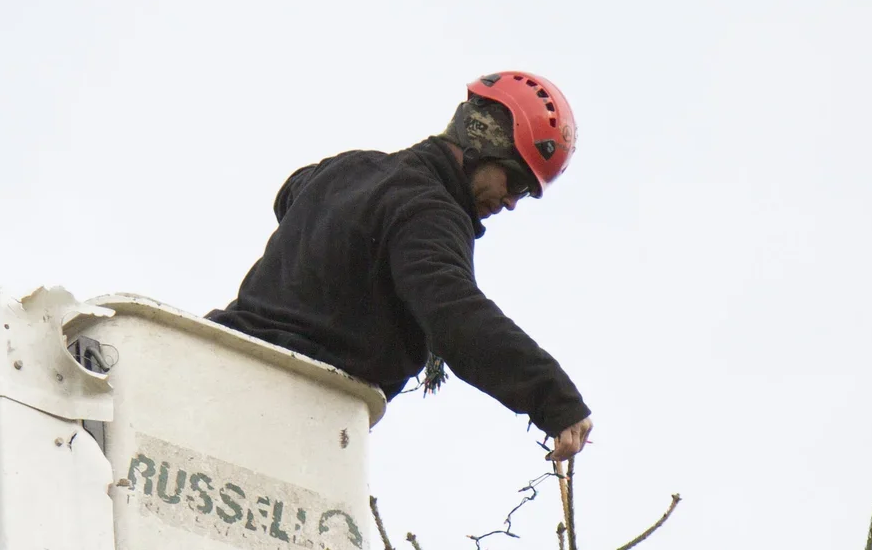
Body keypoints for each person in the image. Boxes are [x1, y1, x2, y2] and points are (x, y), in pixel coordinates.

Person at [208, 71, 593, 462]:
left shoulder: (349, 169)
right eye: (516, 181)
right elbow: (455, 315)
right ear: (483, 141)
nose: (511, 201)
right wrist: (553, 397)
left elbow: (291, 194)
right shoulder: (430, 212)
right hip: (288, 405)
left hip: (215, 361)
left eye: (525, 193)